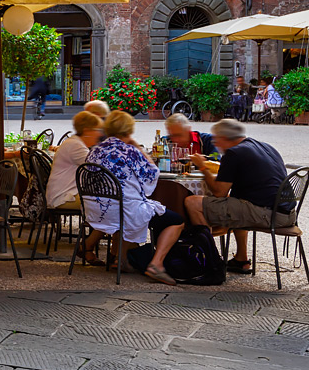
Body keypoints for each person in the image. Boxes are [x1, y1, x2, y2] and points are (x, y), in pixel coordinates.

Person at [79, 111, 185, 285]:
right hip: (122, 211)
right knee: (177, 221)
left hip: (96, 211)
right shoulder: (129, 150)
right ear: (128, 130)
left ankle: (120, 260)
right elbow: (152, 175)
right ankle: (156, 265)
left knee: (126, 207)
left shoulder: (95, 150)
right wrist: (138, 147)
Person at [186, 118, 293, 274]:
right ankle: (241, 259)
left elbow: (219, 192)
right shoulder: (265, 146)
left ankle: (210, 261)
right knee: (236, 200)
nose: (216, 145)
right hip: (286, 212)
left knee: (192, 203)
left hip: (270, 214)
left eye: (216, 140)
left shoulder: (234, 153)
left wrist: (202, 166)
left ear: (224, 138)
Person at [46, 111, 104, 208]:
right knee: (105, 203)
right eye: (97, 130)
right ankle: (93, 223)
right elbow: (97, 168)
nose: (99, 134)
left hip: (66, 192)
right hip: (62, 197)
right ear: (87, 131)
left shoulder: (76, 142)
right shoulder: (76, 146)